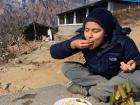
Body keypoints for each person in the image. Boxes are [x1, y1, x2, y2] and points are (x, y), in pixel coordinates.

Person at [50, 8, 140, 102]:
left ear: (106, 32)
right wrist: (71, 45)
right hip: (94, 76)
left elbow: (137, 59)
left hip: (117, 77)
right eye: (87, 30)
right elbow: (54, 52)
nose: (89, 35)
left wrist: (134, 64)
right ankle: (107, 90)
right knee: (67, 67)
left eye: (95, 31)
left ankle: (89, 90)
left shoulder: (122, 41)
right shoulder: (82, 38)